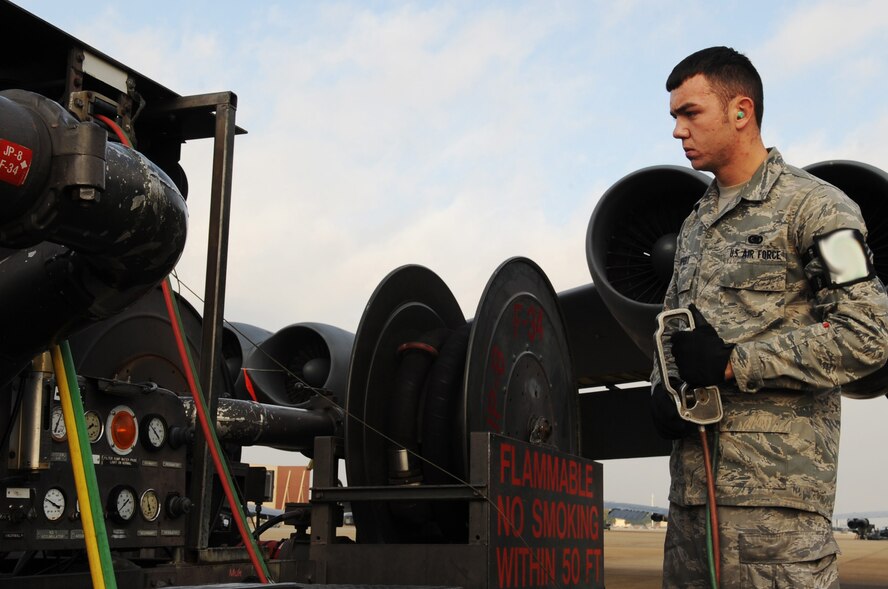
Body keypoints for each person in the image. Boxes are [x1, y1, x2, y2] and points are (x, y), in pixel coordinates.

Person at [650, 46, 888, 588]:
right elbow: (673, 330)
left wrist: (735, 364)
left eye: (690, 113)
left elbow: (870, 334)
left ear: (741, 111)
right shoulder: (693, 226)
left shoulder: (820, 209)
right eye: (674, 118)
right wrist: (660, 389)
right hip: (691, 504)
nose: (677, 131)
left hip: (775, 515)